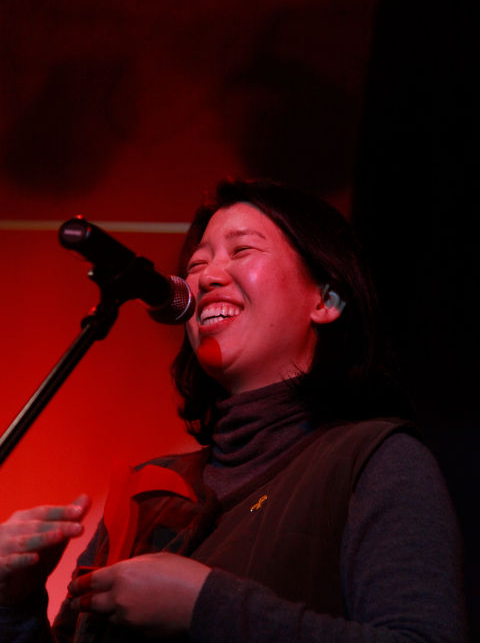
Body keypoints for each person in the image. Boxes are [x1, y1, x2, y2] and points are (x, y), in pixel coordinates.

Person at [0, 179, 467, 641]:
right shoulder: (147, 492)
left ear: (326, 299)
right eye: (197, 264)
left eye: (242, 250)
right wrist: (15, 605)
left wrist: (205, 606)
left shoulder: (377, 461)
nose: (206, 277)